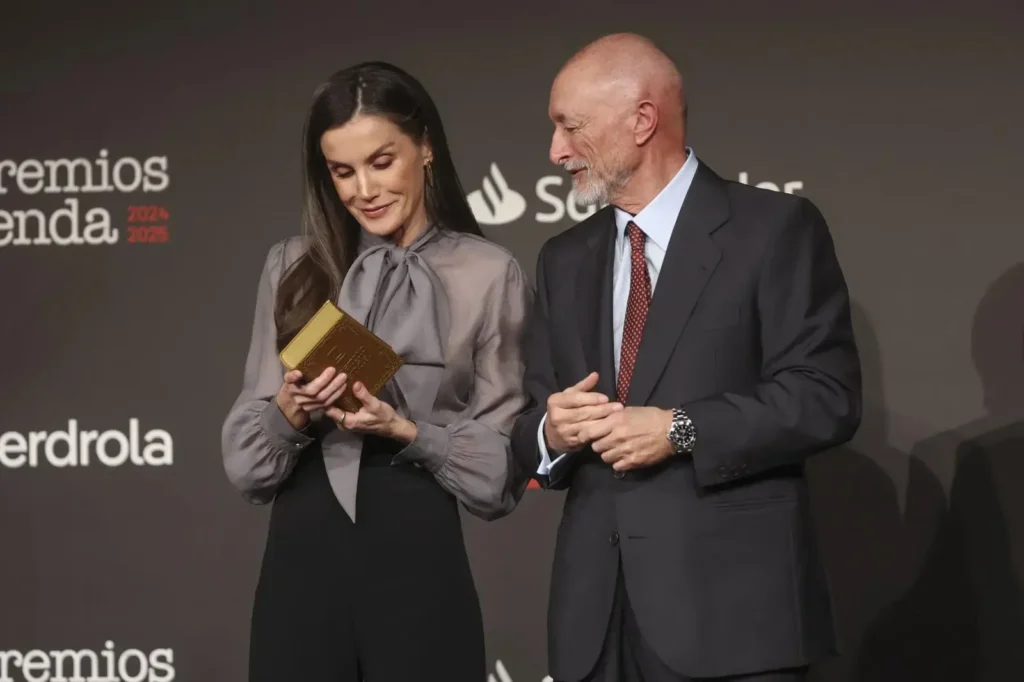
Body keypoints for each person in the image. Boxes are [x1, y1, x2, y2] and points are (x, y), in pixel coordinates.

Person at [511, 33, 862, 682]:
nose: (555, 151)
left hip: (730, 618)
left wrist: (679, 428)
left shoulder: (773, 230)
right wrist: (550, 431)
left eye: (571, 126)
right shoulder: (563, 259)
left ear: (642, 119)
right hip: (595, 625)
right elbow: (531, 418)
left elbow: (825, 396)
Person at [221, 61, 532, 681]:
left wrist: (407, 431)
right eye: (343, 171)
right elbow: (246, 465)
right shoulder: (293, 265)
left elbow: (501, 470)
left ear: (425, 148)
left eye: (381, 161)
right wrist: (289, 410)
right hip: (302, 557)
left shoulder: (488, 273)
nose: (364, 189)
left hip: (417, 550)